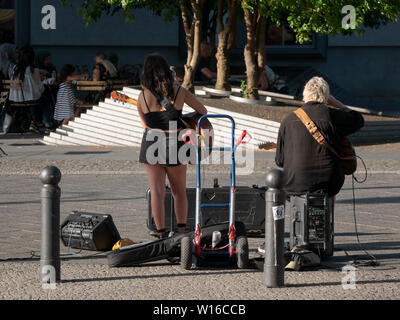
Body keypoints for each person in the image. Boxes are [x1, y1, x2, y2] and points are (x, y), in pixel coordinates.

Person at [137, 53, 207, 238]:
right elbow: (203, 111)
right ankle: (182, 232)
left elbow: (145, 125)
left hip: (152, 142)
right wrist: (183, 121)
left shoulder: (142, 97)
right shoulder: (179, 91)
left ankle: (160, 234)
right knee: (179, 192)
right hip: (175, 142)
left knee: (157, 192)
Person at [275, 76, 364, 197]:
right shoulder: (331, 115)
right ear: (326, 97)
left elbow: (280, 161)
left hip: (294, 183)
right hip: (329, 182)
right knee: (329, 192)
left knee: (296, 200)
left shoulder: (287, 120)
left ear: (304, 95)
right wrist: (337, 103)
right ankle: (329, 213)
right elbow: (358, 120)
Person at [8, 45, 53, 133]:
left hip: (15, 99)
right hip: (29, 99)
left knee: (33, 99)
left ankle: (34, 122)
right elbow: (40, 89)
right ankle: (46, 123)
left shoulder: (15, 68)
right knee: (45, 99)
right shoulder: (33, 69)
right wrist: (42, 80)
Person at [53, 64, 84, 128]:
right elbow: (76, 78)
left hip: (67, 98)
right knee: (67, 116)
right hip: (65, 99)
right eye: (73, 73)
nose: (74, 74)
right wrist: (83, 75)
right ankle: (61, 128)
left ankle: (63, 127)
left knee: (70, 115)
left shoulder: (67, 80)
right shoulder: (67, 78)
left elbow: (75, 81)